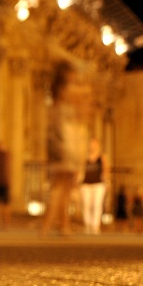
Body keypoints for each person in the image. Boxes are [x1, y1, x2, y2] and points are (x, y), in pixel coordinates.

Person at [40, 61, 89, 237]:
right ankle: (47, 226)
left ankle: (63, 225)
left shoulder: (58, 106)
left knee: (65, 187)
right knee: (59, 186)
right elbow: (63, 129)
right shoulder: (61, 107)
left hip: (66, 144)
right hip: (64, 145)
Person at [80, 137, 108, 235]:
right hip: (86, 184)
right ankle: (87, 224)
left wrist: (107, 182)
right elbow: (80, 170)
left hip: (98, 184)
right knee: (86, 204)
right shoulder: (84, 157)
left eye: (95, 144)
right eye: (91, 144)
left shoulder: (102, 157)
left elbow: (106, 170)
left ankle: (95, 225)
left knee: (97, 204)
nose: (92, 146)